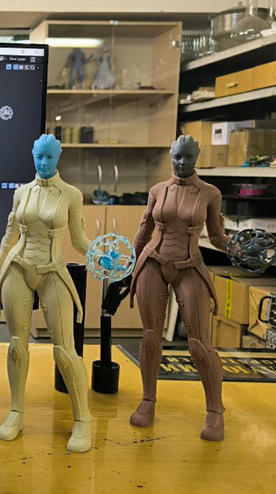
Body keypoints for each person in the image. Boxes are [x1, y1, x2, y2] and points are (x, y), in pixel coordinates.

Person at [0, 134, 93, 452]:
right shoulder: (21, 193)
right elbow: (8, 237)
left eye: (49, 157)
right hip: (18, 267)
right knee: (17, 345)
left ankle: (83, 418)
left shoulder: (71, 195)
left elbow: (80, 240)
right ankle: (16, 412)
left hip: (52, 270)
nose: (43, 163)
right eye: (39, 157)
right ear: (33, 156)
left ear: (58, 158)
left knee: (65, 351)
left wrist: (101, 255)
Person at [126, 135, 230, 441]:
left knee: (199, 343)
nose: (182, 162)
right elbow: (144, 231)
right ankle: (148, 399)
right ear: (171, 156)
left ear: (197, 157)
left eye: (188, 157)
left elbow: (217, 237)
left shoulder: (210, 193)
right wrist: (127, 266)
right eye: (177, 157)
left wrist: (236, 247)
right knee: (150, 336)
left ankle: (215, 410)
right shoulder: (158, 190)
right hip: (153, 262)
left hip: (189, 264)